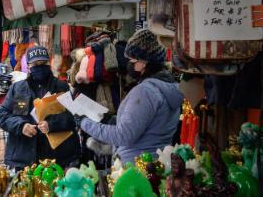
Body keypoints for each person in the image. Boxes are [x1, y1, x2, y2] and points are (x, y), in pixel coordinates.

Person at [78, 29, 184, 164]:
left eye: (131, 59)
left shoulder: (146, 92)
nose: (129, 63)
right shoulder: (168, 87)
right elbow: (146, 125)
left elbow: (123, 136)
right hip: (154, 163)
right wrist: (111, 119)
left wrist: (83, 122)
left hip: (135, 169)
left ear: (144, 62)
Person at [0, 46, 80, 171]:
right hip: (24, 158)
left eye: (43, 63)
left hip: (56, 158)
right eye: (35, 64)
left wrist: (51, 124)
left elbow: (74, 117)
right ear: (29, 65)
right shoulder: (18, 88)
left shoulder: (61, 87)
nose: (40, 67)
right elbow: (2, 115)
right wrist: (21, 126)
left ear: (49, 63)